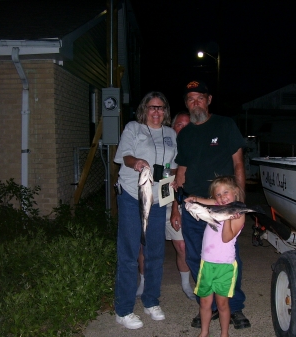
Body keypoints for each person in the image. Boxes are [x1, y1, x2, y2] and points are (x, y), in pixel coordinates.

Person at [171, 80, 251, 329]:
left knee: (228, 257)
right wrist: (177, 206)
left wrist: (240, 201)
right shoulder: (184, 135)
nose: (195, 103)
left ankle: (234, 306)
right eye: (190, 99)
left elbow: (238, 164)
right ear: (186, 103)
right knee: (196, 256)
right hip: (194, 206)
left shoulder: (225, 125)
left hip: (223, 203)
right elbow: (180, 173)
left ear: (209, 100)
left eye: (200, 98)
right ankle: (209, 305)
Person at [113, 91, 177, 330]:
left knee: (155, 253)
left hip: (159, 198)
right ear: (144, 109)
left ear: (165, 111)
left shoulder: (171, 134)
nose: (156, 112)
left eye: (161, 108)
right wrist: (137, 162)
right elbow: (125, 157)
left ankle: (151, 301)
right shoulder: (133, 128)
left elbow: (175, 165)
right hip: (132, 195)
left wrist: (173, 179)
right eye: (152, 107)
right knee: (130, 253)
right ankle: (124, 309)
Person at [136, 111, 195, 300]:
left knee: (182, 246)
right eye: (179, 125)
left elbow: (182, 183)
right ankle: (143, 283)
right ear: (172, 126)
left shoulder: (191, 149)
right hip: (151, 201)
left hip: (173, 203)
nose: (183, 129)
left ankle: (186, 284)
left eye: (187, 125)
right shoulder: (158, 143)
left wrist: (176, 209)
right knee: (144, 246)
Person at [185, 176, 245, 337]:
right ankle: (204, 332)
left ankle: (224, 333)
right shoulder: (218, 205)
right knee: (205, 302)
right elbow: (208, 202)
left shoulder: (238, 215)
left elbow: (226, 238)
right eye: (218, 194)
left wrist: (226, 219)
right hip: (206, 264)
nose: (222, 197)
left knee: (222, 303)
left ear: (235, 193)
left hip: (225, 267)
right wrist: (195, 199)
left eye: (226, 192)